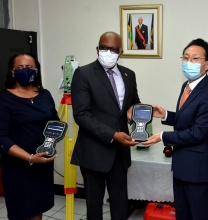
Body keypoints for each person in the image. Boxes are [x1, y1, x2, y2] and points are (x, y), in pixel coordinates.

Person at [142, 38, 208, 220]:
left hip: (197, 170)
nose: (188, 62)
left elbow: (198, 132)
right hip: (181, 166)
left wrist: (162, 136)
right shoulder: (186, 86)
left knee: (198, 216)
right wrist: (166, 116)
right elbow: (187, 120)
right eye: (185, 58)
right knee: (183, 216)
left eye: (195, 58)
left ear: (207, 64)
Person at [70, 31, 140, 220]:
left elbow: (133, 104)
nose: (108, 52)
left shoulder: (129, 75)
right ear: (97, 49)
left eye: (114, 49)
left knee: (120, 204)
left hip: (120, 152)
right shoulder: (83, 74)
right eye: (104, 48)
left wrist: (136, 115)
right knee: (94, 207)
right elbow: (81, 115)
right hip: (93, 151)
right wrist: (113, 135)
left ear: (121, 52)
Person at [0, 53, 59, 220]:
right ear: (12, 72)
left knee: (37, 210)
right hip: (18, 167)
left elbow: (54, 122)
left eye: (28, 68)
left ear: (36, 70)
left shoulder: (44, 95)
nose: (24, 71)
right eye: (19, 68)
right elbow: (1, 137)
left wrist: (54, 137)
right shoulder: (4, 98)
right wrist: (30, 157)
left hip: (42, 165)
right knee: (21, 212)